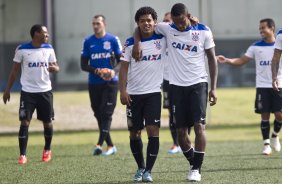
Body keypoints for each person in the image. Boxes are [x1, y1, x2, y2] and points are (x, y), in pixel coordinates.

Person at [132, 3, 218, 182]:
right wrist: (137, 43)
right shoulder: (167, 28)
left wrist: (213, 88)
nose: (179, 25)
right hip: (176, 87)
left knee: (199, 126)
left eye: (182, 21)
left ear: (188, 16)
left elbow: (212, 59)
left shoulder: (203, 31)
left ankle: (196, 169)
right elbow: (142, 26)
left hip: (198, 84)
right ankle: (195, 161)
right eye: (176, 22)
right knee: (180, 133)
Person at [218, 19, 282, 155]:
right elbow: (242, 60)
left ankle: (275, 136)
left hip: (279, 83)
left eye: (263, 28)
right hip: (262, 86)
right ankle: (266, 144)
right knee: (264, 115)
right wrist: (228, 60)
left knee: (279, 115)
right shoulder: (255, 46)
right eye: (260, 29)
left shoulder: (279, 43)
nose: (261, 31)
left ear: (272, 28)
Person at [119, 6, 166, 182]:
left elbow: (178, 26)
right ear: (138, 23)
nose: (146, 23)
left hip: (153, 93)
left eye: (149, 20)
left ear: (155, 22)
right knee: (134, 133)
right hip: (133, 95)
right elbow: (123, 69)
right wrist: (123, 91)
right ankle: (140, 167)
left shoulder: (163, 39)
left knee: (153, 131)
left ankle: (148, 171)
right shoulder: (130, 43)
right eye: (142, 21)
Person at [2, 24, 59, 164]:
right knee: (24, 122)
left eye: (47, 33)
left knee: (47, 122)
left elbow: (56, 66)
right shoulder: (22, 50)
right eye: (44, 33)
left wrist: (55, 68)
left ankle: (47, 150)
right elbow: (14, 71)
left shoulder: (49, 48)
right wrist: (7, 90)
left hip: (45, 91)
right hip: (28, 93)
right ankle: (22, 155)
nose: (47, 35)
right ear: (36, 34)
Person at [80, 15, 122, 156]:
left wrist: (112, 71)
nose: (95, 26)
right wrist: (96, 70)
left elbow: (122, 61)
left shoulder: (113, 40)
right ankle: (110, 145)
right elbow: (83, 65)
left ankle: (99, 144)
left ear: (104, 24)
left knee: (106, 113)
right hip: (94, 83)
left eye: (98, 23)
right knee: (98, 113)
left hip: (110, 83)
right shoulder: (87, 41)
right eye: (93, 24)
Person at [161, 12, 181, 154]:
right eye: (164, 21)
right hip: (167, 81)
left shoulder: (180, 36)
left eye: (168, 21)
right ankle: (175, 143)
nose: (166, 23)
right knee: (171, 114)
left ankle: (186, 140)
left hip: (181, 81)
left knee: (185, 113)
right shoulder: (160, 39)